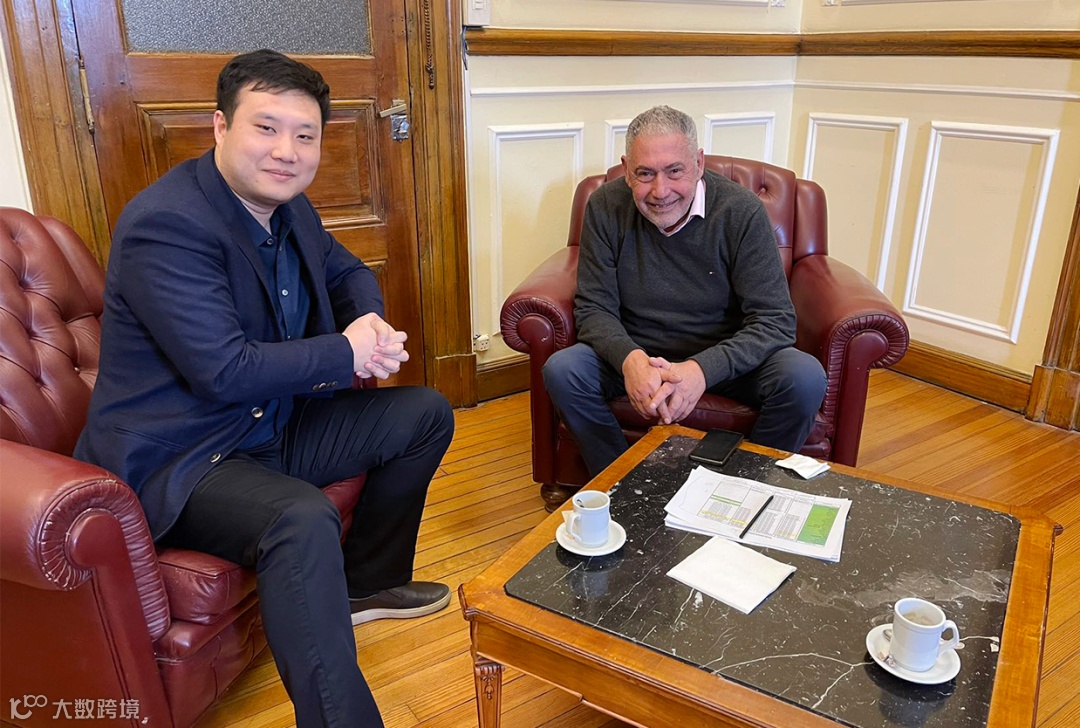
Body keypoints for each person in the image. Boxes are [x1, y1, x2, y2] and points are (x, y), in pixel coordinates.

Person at [74, 49, 454, 727]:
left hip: (268, 425)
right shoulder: (167, 224)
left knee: (424, 413)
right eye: (266, 128)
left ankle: (365, 586)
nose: (286, 151)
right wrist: (346, 352)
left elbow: (348, 272)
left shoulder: (289, 208)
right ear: (220, 126)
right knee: (298, 517)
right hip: (183, 459)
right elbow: (223, 370)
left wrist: (365, 321)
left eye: (305, 135)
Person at [543, 105, 827, 477]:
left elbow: (775, 321)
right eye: (645, 173)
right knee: (564, 370)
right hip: (635, 349)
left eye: (675, 171)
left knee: (804, 377)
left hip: (724, 357)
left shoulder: (741, 211)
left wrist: (700, 371)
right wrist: (631, 360)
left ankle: (743, 485)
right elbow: (594, 308)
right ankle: (621, 482)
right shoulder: (605, 205)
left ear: (698, 163)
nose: (660, 191)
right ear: (627, 169)